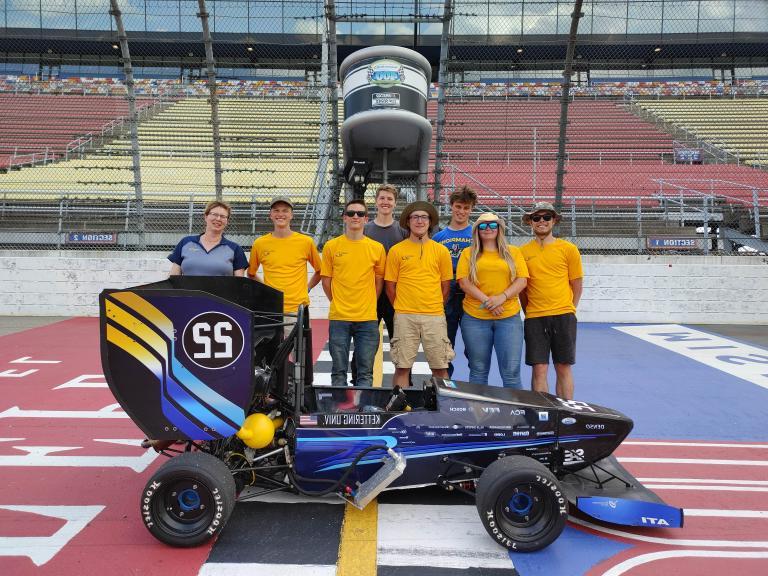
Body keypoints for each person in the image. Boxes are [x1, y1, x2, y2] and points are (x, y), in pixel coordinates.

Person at [385, 201, 454, 388]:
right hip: (405, 316)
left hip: (434, 316)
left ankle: (444, 410)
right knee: (402, 367)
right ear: (408, 222)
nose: (419, 221)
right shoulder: (397, 250)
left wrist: (435, 305)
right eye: (415, 217)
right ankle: (400, 409)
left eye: (424, 217)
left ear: (430, 222)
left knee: (440, 367)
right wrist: (401, 307)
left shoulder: (441, 251)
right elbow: (390, 286)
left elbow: (445, 286)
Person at [519, 202, 583, 400]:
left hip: (563, 315)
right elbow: (523, 289)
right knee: (539, 368)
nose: (541, 221)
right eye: (536, 218)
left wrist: (570, 308)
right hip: (535, 317)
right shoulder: (522, 252)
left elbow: (576, 283)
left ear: (554, 220)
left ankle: (566, 412)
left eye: (546, 217)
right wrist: (529, 311)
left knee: (563, 366)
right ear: (530, 222)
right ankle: (542, 416)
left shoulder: (568, 249)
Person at [456, 213, 528, 388]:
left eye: (492, 225)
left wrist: (502, 297)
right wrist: (489, 302)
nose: (488, 229)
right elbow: (464, 282)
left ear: (499, 229)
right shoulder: (468, 253)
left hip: (508, 317)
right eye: (483, 226)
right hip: (475, 318)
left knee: (511, 372)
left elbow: (522, 280)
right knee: (478, 369)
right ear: (477, 230)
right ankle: (478, 414)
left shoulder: (514, 252)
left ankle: (514, 414)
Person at [321, 200, 386, 387]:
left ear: (366, 219)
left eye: (359, 214)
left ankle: (363, 410)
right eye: (350, 213)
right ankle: (338, 410)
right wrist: (338, 301)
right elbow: (326, 281)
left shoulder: (376, 248)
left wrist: (368, 302)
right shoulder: (331, 247)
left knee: (365, 372)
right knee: (338, 371)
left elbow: (378, 281)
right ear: (344, 218)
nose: (355, 217)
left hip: (367, 318)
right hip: (339, 317)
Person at [350, 183, 408, 384]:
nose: (385, 202)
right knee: (364, 345)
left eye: (389, 199)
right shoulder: (365, 229)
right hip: (369, 297)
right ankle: (357, 385)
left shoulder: (403, 231)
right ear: (375, 202)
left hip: (395, 297)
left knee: (400, 344)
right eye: (382, 198)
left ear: (395, 203)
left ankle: (403, 389)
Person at [248, 197, 322, 319]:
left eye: (285, 210)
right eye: (276, 210)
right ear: (270, 215)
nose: (280, 214)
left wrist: (307, 288)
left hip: (297, 308)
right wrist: (268, 290)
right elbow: (251, 274)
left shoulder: (306, 242)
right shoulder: (260, 243)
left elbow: (320, 271)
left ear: (291, 215)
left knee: (294, 338)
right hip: (270, 307)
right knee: (270, 338)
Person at [432, 185, 477, 376]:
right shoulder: (438, 237)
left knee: (474, 346)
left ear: (471, 209)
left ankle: (475, 386)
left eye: (466, 208)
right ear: (451, 206)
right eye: (458, 206)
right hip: (447, 291)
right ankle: (445, 384)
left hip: (470, 291)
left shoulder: (477, 235)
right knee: (445, 343)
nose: (461, 211)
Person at [168, 200, 248, 276]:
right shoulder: (185, 243)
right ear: (206, 216)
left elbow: (239, 284)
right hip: (188, 291)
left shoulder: (235, 249)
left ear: (227, 221)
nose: (218, 219)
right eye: (214, 214)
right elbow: (173, 277)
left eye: (223, 216)